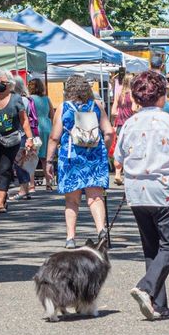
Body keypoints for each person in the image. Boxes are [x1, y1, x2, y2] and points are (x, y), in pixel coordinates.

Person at [115, 70, 169, 320]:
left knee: (152, 248)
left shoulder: (129, 124)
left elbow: (118, 157)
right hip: (165, 192)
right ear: (161, 96)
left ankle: (157, 304)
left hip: (137, 193)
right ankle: (146, 287)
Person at [45, 74, 113, 249]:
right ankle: (101, 230)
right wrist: (102, 148)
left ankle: (70, 238)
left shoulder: (64, 107)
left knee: (72, 200)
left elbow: (54, 137)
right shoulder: (96, 106)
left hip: (71, 157)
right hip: (94, 157)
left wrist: (49, 161)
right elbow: (110, 132)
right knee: (95, 197)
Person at [0, 71, 33, 214]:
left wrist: (29, 138)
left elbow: (24, 120)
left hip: (11, 141)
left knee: (5, 169)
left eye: (2, 82)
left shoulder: (16, 99)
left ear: (9, 84)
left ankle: (0, 202)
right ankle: (2, 193)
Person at [12, 77, 41, 201]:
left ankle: (23, 190)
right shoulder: (27, 99)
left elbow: (21, 118)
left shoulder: (20, 100)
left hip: (21, 133)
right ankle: (26, 189)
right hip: (25, 133)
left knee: (20, 162)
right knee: (23, 161)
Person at [27, 78, 53, 190]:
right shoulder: (47, 99)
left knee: (32, 157)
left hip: (35, 128)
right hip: (47, 127)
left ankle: (32, 185)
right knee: (46, 158)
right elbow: (52, 114)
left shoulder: (29, 99)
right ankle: (49, 182)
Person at [111, 73, 137, 186]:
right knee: (131, 150)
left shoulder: (118, 94)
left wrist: (119, 114)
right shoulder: (133, 94)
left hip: (120, 125)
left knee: (120, 149)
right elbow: (134, 108)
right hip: (131, 125)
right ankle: (129, 174)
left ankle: (117, 174)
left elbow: (113, 112)